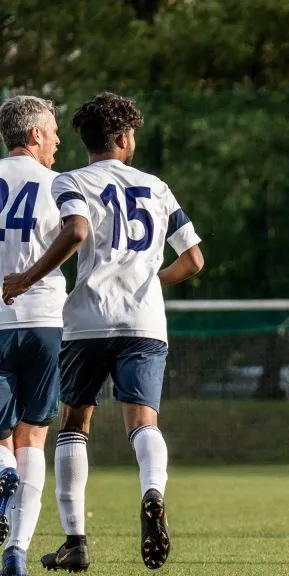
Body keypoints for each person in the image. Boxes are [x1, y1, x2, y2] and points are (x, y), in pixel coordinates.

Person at [2, 92, 204, 572]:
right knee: (143, 423)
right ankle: (152, 488)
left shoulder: (70, 180)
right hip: (144, 320)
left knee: (73, 426)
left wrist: (24, 279)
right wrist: (149, 283)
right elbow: (194, 259)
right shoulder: (156, 186)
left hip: (86, 322)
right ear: (125, 137)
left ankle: (75, 541)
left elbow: (77, 229)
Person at [0, 95, 64, 576]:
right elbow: (82, 232)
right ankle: (17, 551)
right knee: (34, 437)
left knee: (1, 437)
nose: (59, 140)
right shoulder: (59, 184)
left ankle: (2, 474)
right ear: (36, 133)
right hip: (43, 319)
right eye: (55, 131)